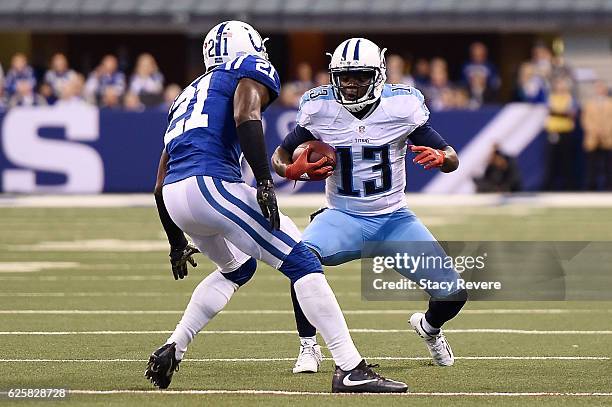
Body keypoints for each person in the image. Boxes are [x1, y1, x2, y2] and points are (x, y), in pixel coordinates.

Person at [144, 21, 407, 394]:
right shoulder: (247, 70)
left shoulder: (186, 95)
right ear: (250, 45)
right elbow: (246, 115)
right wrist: (265, 182)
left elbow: (159, 183)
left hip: (176, 197)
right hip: (212, 186)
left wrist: (175, 240)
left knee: (238, 268)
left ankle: (174, 346)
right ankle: (350, 368)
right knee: (303, 262)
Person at [271, 38, 466, 374]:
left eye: (360, 75)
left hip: (394, 219)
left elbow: (452, 157)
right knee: (301, 259)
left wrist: (442, 158)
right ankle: (308, 346)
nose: (350, 84)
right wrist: (289, 170)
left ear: (378, 74)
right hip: (342, 215)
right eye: (344, 76)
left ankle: (430, 328)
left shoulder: (401, 107)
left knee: (454, 292)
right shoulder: (319, 109)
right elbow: (280, 155)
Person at [582, 80, 612, 190]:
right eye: (598, 88)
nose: (600, 90)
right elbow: (585, 120)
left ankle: (609, 187)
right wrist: (595, 130)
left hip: (608, 138)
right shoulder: (589, 104)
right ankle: (591, 187)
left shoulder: (610, 103)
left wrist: (606, 130)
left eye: (601, 88)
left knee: (608, 166)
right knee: (591, 166)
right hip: (593, 138)